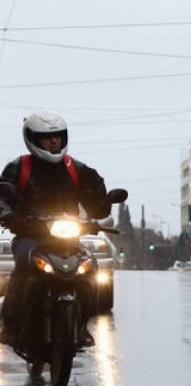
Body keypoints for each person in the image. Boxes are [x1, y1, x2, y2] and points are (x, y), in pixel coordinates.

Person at [0, 111, 111, 348]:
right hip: (30, 235)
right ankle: (10, 326)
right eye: (47, 137)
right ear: (32, 139)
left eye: (58, 136)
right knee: (23, 267)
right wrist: (10, 216)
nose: (54, 141)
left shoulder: (76, 168)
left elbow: (96, 198)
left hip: (68, 236)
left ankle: (82, 326)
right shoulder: (18, 168)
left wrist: (103, 206)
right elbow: (3, 195)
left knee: (90, 268)